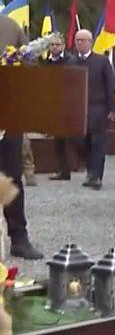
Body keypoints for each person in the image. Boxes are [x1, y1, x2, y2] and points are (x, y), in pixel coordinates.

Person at [0, 14, 43, 259]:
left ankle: (19, 237)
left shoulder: (9, 26)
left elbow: (31, 66)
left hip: (7, 116)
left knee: (10, 177)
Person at [66, 30, 115, 190]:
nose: (80, 43)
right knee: (83, 142)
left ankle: (96, 176)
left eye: (83, 40)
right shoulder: (71, 62)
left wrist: (112, 108)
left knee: (97, 143)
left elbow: (110, 85)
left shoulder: (101, 61)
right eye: (78, 40)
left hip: (98, 109)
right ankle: (90, 170)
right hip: (78, 110)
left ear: (90, 42)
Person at [47, 33, 81, 182]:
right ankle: (63, 171)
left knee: (74, 139)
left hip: (69, 105)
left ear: (63, 46)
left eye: (57, 44)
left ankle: (86, 162)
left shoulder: (71, 60)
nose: (54, 47)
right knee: (58, 140)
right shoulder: (46, 61)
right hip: (54, 105)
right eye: (52, 44)